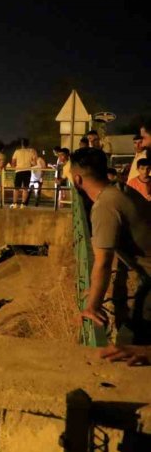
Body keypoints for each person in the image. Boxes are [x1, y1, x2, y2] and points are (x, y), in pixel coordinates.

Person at [72, 148, 151, 347]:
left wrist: (92, 305)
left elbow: (103, 262)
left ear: (77, 179)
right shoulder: (120, 190)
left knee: (130, 341)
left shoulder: (105, 206)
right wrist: (95, 288)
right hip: (147, 275)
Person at [10, 138, 36, 209]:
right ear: (28, 144)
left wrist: (14, 166)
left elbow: (13, 162)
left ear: (21, 144)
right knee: (25, 188)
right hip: (27, 171)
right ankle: (23, 204)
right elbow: (34, 163)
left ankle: (15, 204)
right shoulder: (31, 152)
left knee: (16, 188)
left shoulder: (17, 151)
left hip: (19, 170)